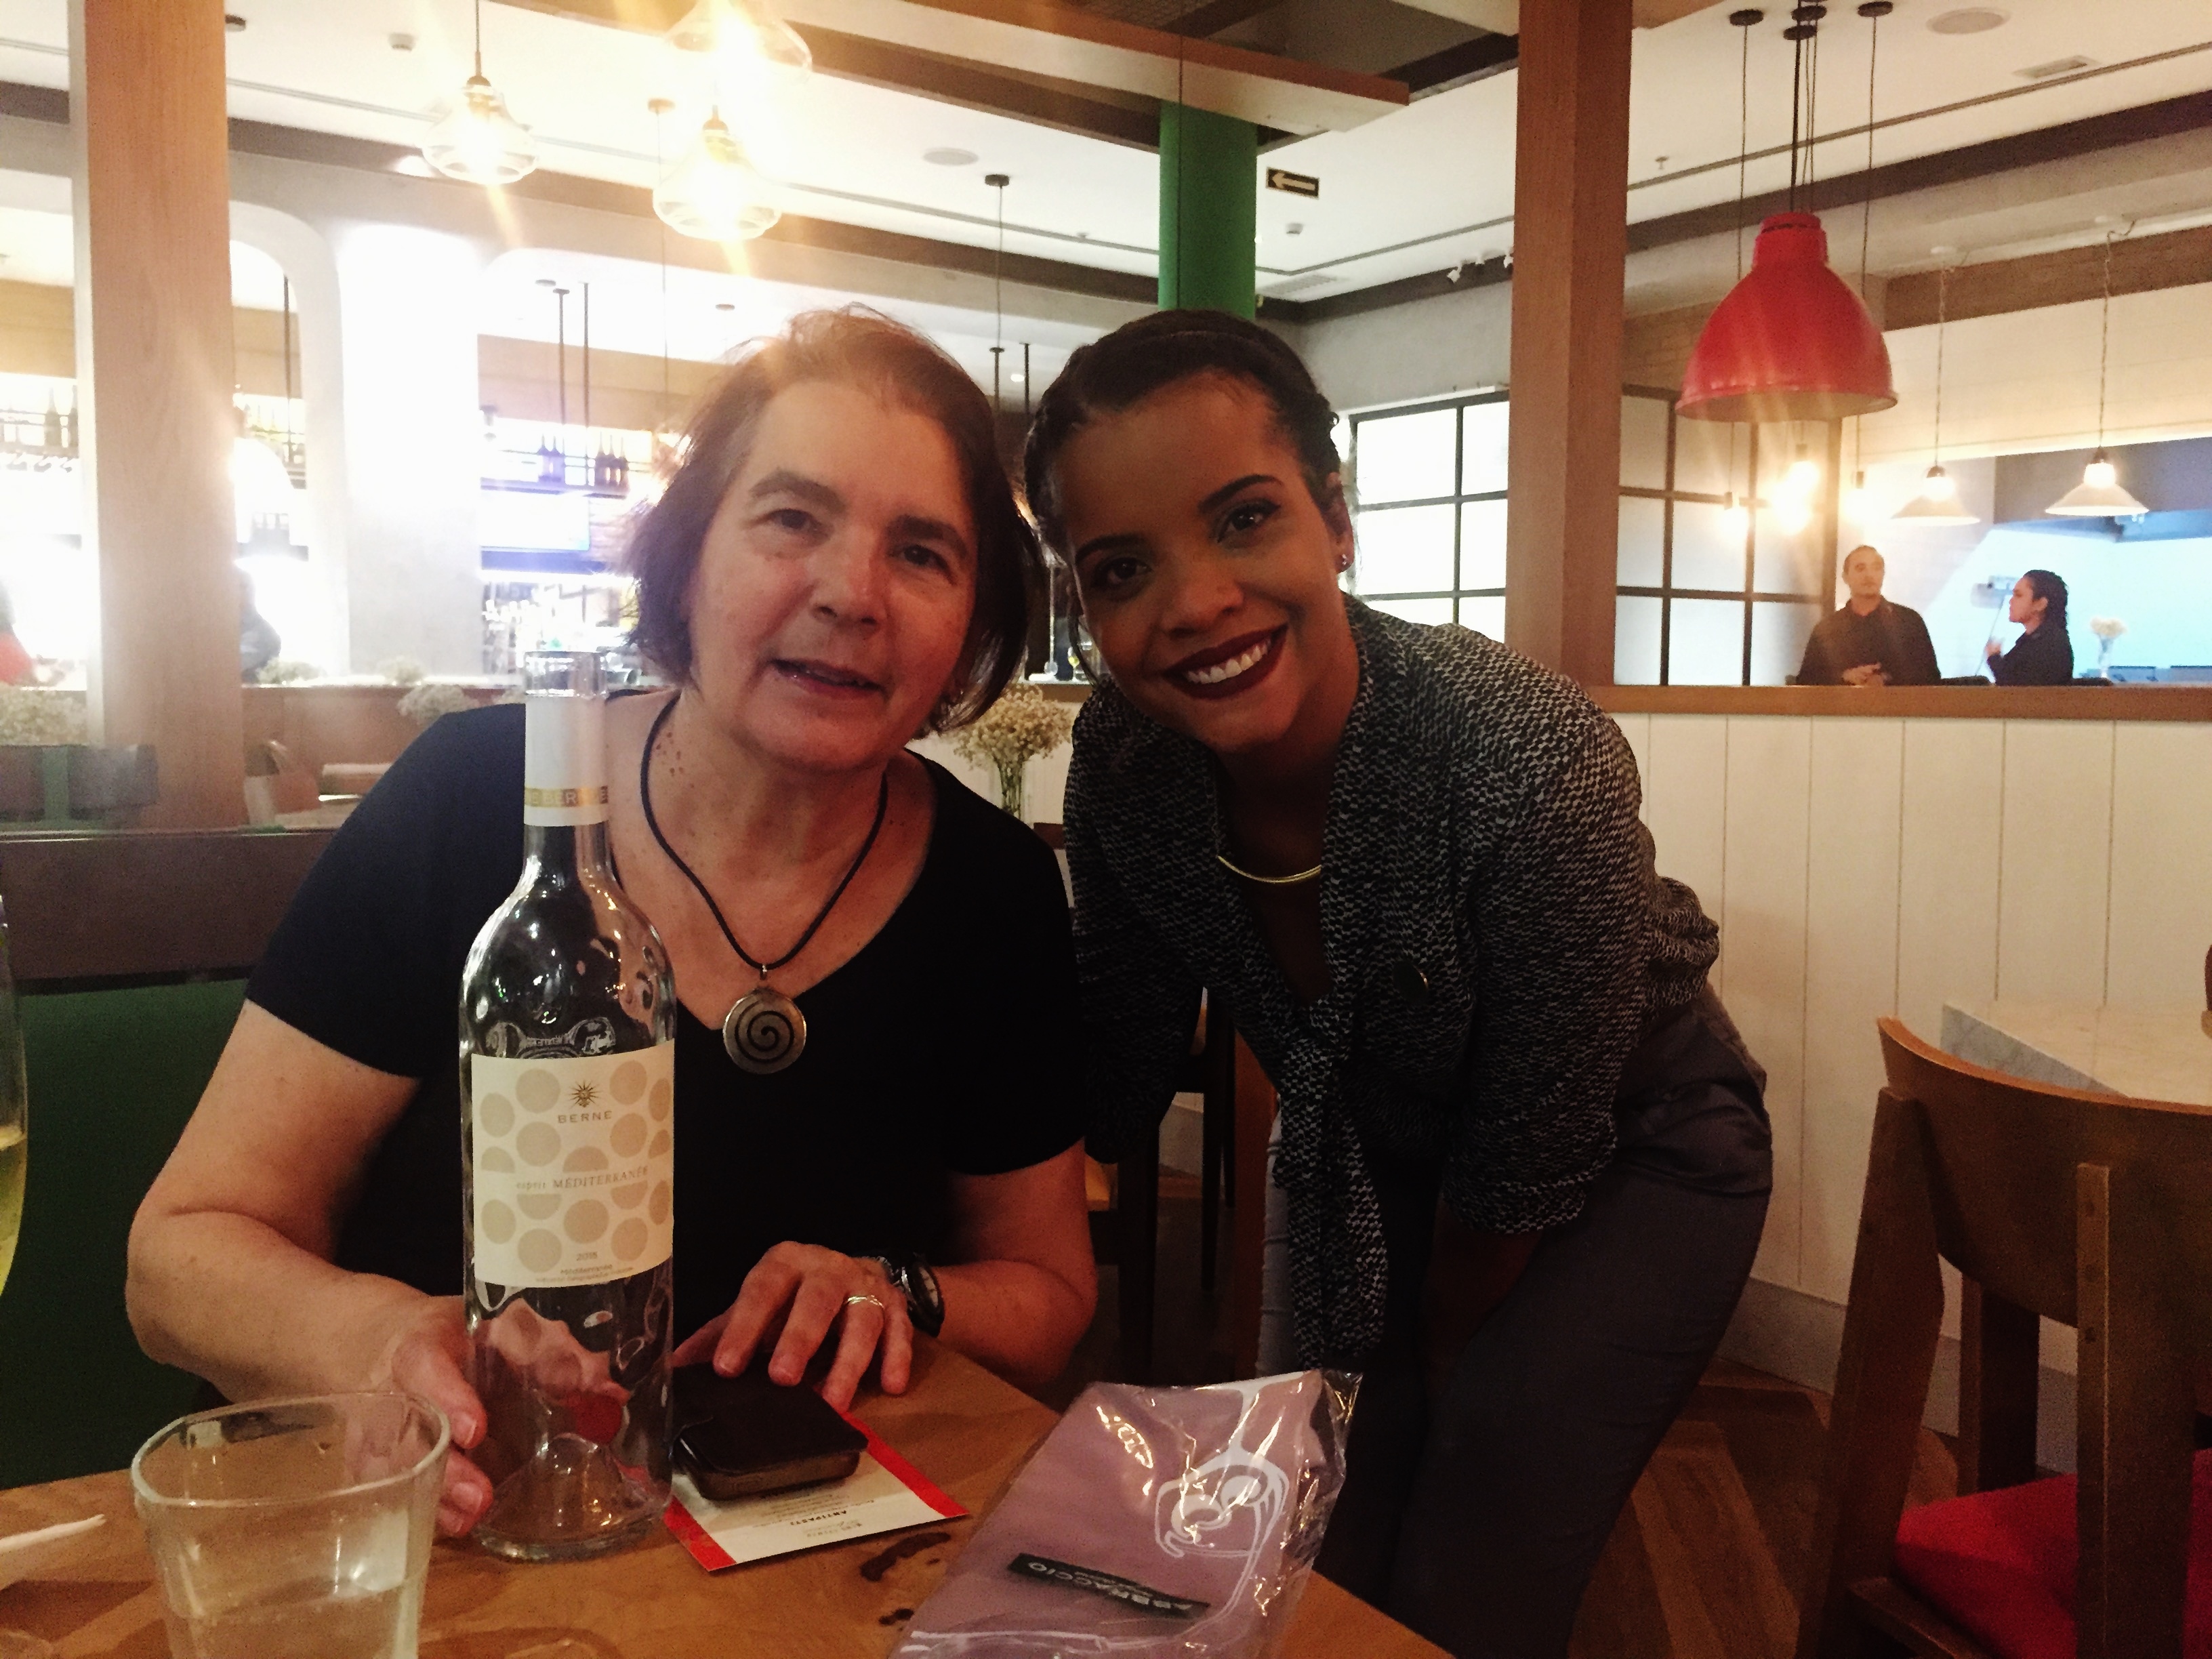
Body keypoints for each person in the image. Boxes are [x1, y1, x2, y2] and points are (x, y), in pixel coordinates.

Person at [129, 310, 1097, 1539]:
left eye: (921, 552)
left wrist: (899, 1289)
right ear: (686, 563)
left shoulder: (990, 889)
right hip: (442, 1531)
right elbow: (178, 1257)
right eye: (791, 520)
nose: (852, 594)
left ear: (972, 624)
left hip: (801, 1555)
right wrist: (374, 1337)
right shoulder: (468, 801)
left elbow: (1048, 1294)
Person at [1025, 310, 1771, 1659]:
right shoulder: (1126, 768)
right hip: (1387, 1156)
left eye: (1244, 519)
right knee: (1318, 1554)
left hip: (1638, 1146)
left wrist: (1429, 1349)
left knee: (1464, 1555)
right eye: (1123, 567)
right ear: (1085, 608)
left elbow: (1524, 1166)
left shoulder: (1522, 757)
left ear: (1334, 518)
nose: (1193, 602)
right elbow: (1117, 1070)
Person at [1795, 544, 1940, 686]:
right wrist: (1845, 677)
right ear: (1846, 577)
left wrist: (1886, 679)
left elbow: (1930, 676)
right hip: (1843, 701)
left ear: (1883, 574)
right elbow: (1806, 681)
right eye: (1860, 568)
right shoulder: (1827, 629)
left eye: (1876, 568)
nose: (1869, 575)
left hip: (1898, 701)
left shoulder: (1909, 621)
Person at [1986, 569, 2074, 685]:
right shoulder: (2032, 640)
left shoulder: (2051, 645)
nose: (2011, 601)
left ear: (2040, 604)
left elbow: (2018, 686)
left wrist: (1994, 658)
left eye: (2019, 595)